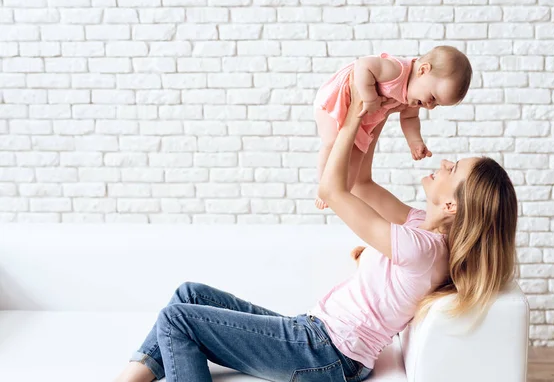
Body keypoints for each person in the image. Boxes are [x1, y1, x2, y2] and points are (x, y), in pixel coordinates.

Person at [115, 77, 517, 382]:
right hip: (315, 335)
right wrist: (377, 117)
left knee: (178, 319)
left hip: (325, 354)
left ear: (451, 205)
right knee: (190, 294)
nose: (445, 162)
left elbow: (332, 188)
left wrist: (356, 115)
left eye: (454, 169)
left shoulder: (420, 248)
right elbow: (360, 184)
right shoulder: (417, 225)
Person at [314, 45, 472, 209]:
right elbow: (363, 65)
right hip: (339, 100)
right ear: (423, 70)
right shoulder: (396, 70)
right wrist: (369, 98)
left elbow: (410, 118)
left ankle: (340, 193)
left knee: (356, 160)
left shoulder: (415, 96)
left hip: (364, 119)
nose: (430, 106)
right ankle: (323, 188)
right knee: (333, 142)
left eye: (437, 105)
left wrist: (415, 142)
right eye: (433, 97)